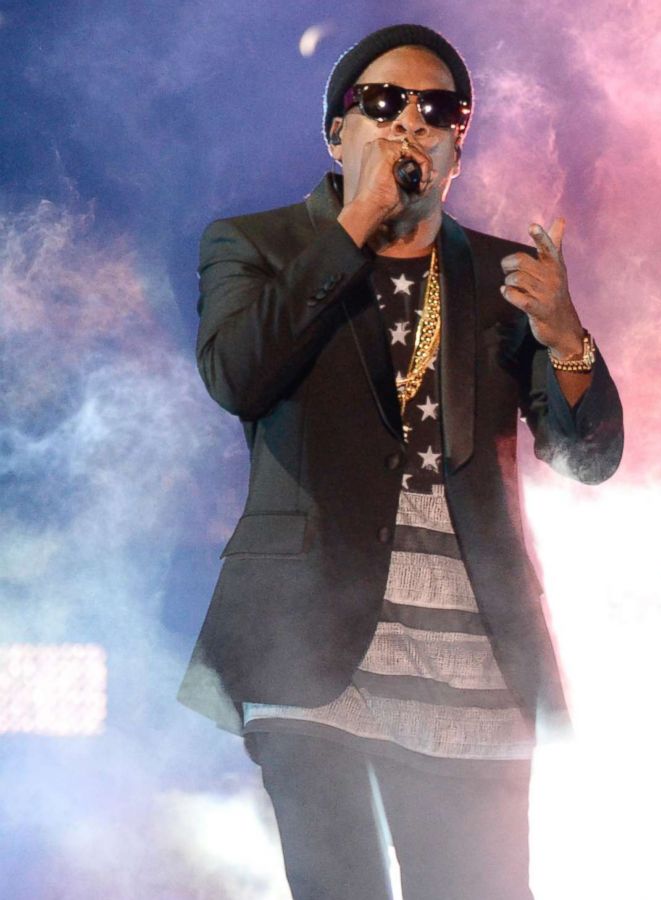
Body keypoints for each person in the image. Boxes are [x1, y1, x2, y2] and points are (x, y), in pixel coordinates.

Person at [176, 24, 623, 899]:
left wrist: (567, 340)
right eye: (382, 104)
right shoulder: (256, 245)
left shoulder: (507, 276)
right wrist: (352, 226)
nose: (409, 123)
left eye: (437, 109)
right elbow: (238, 376)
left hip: (476, 669)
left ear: (460, 145)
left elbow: (586, 460)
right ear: (338, 133)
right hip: (310, 657)